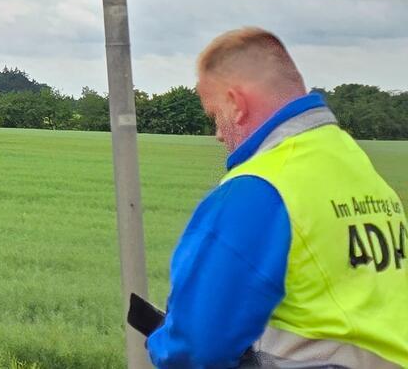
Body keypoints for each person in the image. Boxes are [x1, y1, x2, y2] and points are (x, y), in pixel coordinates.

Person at [147, 27, 408, 369]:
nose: (216, 134)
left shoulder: (260, 189)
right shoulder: (354, 165)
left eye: (215, 115)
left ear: (237, 105)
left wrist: (161, 341)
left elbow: (195, 347)